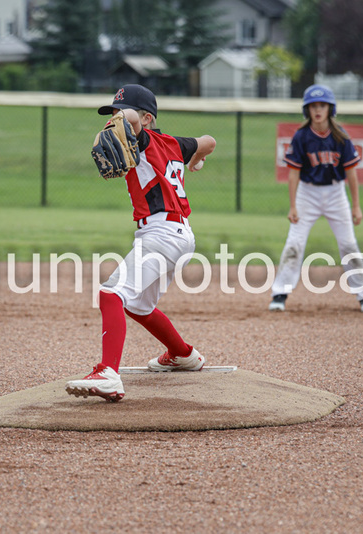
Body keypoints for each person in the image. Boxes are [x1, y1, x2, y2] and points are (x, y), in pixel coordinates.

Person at [65, 84, 217, 403]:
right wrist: (196, 160)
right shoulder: (175, 143)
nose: (117, 122)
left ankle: (108, 372)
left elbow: (133, 120)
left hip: (160, 233)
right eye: (114, 116)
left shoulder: (144, 138)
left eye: (122, 116)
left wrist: (130, 119)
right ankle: (183, 354)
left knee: (111, 293)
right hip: (181, 235)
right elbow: (209, 142)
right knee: (139, 305)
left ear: (147, 119)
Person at [269, 84, 363, 313]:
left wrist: (356, 206)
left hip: (336, 194)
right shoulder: (302, 136)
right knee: (294, 243)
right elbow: (294, 174)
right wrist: (293, 205)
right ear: (307, 110)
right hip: (308, 194)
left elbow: (351, 174)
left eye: (323, 105)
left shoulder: (340, 137)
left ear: (330, 108)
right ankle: (279, 292)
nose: (318, 110)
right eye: (313, 106)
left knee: (348, 244)